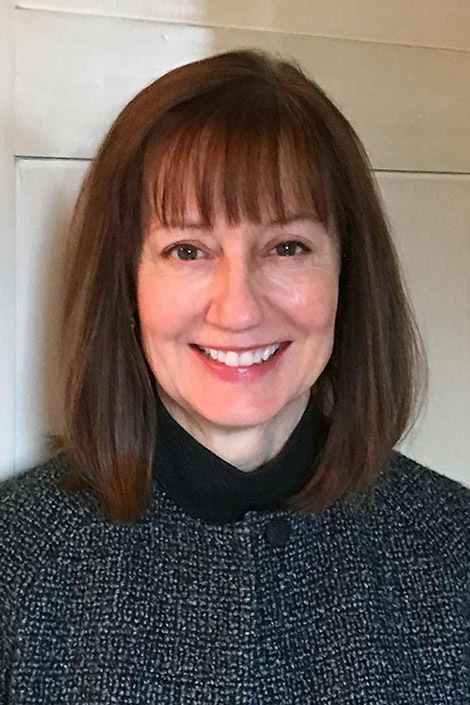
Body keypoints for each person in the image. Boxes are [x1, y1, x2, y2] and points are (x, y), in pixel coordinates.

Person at [1, 49, 469, 704]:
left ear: (347, 274)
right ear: (126, 286)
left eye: (287, 246)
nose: (239, 308)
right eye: (186, 249)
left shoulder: (454, 550)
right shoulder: (15, 557)